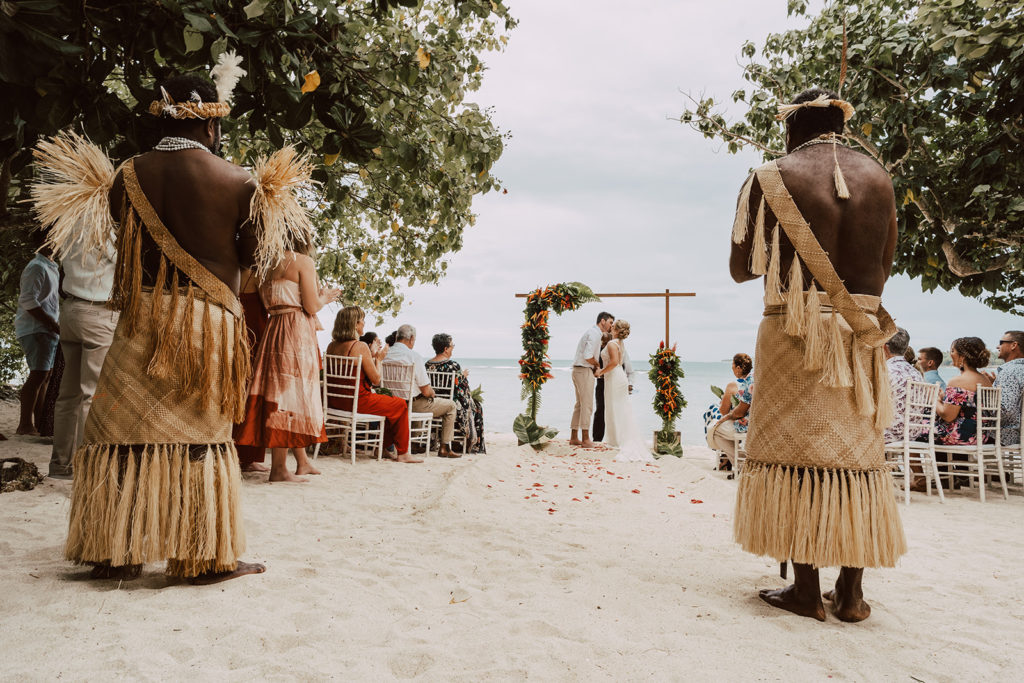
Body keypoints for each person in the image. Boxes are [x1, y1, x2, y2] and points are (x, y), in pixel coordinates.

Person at [32, 60, 303, 583]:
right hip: (207, 325)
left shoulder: (126, 176)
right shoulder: (242, 183)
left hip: (141, 320)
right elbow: (251, 261)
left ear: (164, 117)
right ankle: (201, 556)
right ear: (210, 124)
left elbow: (124, 236)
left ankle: (117, 551)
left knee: (121, 433)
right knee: (200, 437)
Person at [729, 87, 905, 622]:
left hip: (794, 331)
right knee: (853, 457)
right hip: (861, 333)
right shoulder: (880, 179)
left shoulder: (771, 177)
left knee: (792, 450)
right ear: (840, 123)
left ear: (794, 124)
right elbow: (885, 261)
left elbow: (741, 268)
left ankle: (806, 590)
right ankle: (850, 594)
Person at [234, 244, 337, 482]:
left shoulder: (266, 266)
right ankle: (279, 469)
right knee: (291, 396)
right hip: (295, 329)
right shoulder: (303, 261)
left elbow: (266, 300)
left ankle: (300, 463)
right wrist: (325, 297)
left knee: (278, 394)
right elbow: (311, 306)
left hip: (274, 328)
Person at [47, 222, 118, 478]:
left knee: (69, 395)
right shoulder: (102, 228)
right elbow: (125, 262)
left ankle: (60, 464)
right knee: (93, 395)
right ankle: (85, 466)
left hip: (71, 310)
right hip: (98, 311)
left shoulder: (68, 226)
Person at [326, 306, 420, 463]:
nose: (364, 324)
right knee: (400, 404)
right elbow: (376, 380)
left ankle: (382, 448)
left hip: (335, 402)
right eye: (362, 321)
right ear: (355, 324)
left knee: (391, 406)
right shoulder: (359, 346)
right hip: (357, 402)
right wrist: (379, 359)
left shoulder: (332, 346)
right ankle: (402, 453)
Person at [386, 324, 459, 457]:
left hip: (392, 403)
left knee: (418, 398)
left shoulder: (385, 354)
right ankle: (445, 447)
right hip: (412, 404)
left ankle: (413, 444)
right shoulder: (414, 356)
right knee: (450, 406)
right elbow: (425, 390)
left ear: (397, 336)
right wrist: (432, 393)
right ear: (411, 338)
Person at [14, 240, 60, 436]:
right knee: (39, 375)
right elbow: (27, 300)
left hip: (46, 328)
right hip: (36, 328)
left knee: (45, 375)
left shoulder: (52, 266)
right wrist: (51, 323)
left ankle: (40, 424)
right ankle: (25, 425)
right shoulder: (37, 267)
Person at [595, 320, 651, 462]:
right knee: (619, 408)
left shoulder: (612, 344)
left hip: (614, 377)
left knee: (616, 407)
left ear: (615, 330)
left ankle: (618, 440)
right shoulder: (620, 343)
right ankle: (615, 439)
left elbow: (613, 363)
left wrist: (601, 372)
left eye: (613, 326)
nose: (610, 327)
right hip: (617, 377)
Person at [233, 268, 270, 472]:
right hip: (256, 336)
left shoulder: (235, 272)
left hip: (238, 333)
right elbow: (269, 304)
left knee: (239, 391)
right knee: (254, 397)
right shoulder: (258, 276)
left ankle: (236, 452)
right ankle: (248, 456)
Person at [426, 333, 486, 454]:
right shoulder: (452, 365)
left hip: (434, 402)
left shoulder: (427, 364)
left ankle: (452, 441)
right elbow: (461, 390)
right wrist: (462, 377)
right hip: (450, 404)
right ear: (445, 349)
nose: (453, 347)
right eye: (452, 345)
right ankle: (472, 444)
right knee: (477, 406)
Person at [932, 337, 993, 447]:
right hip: (982, 436)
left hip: (961, 437)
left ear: (963, 356)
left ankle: (940, 465)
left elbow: (948, 416)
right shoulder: (986, 381)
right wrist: (944, 398)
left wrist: (934, 399)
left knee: (921, 432)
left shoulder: (957, 381)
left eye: (952, 351)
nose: (950, 354)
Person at [570, 311, 614, 448]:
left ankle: (573, 437)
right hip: (584, 371)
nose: (611, 326)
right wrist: (597, 365)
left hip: (578, 370)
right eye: (610, 322)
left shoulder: (592, 333)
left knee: (579, 405)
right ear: (602, 321)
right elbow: (588, 356)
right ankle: (585, 439)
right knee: (587, 406)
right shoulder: (595, 334)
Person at [705, 353, 754, 471]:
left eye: (733, 367)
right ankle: (740, 463)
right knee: (719, 427)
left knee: (714, 430)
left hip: (748, 425)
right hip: (756, 421)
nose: (732, 370)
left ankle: (742, 466)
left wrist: (725, 417)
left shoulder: (747, 383)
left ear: (738, 368)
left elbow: (740, 412)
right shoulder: (755, 377)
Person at [882, 328, 924, 444]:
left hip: (890, 434)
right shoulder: (916, 373)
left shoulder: (886, 371)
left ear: (884, 347)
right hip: (913, 433)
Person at [988, 331, 1024, 446]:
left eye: (1001, 343)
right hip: (1019, 434)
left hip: (1006, 436)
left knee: (957, 434)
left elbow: (1006, 412)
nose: (997, 346)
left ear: (1014, 345)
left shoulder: (1009, 372)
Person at [592, 333, 612, 442]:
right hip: (601, 383)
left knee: (614, 410)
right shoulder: (597, 351)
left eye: (605, 342)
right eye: (602, 342)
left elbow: (626, 367)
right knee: (600, 410)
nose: (603, 344)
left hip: (613, 383)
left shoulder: (616, 349)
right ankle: (597, 439)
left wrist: (629, 383)